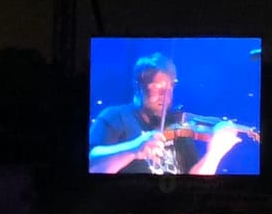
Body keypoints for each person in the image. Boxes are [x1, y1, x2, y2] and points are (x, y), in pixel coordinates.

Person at [88, 52, 255, 176]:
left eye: (170, 89)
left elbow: (194, 184)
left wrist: (215, 153)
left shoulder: (178, 125)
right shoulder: (115, 117)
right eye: (158, 88)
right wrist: (135, 148)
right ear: (138, 86)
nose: (166, 96)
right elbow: (91, 165)